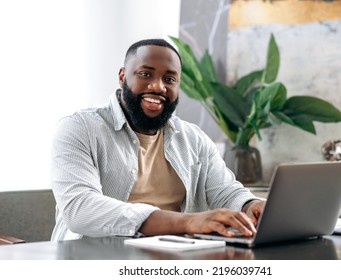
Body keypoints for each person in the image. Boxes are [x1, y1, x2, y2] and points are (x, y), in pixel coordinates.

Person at [51, 38, 265, 241]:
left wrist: (251, 205)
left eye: (169, 79)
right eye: (145, 74)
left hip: (173, 257)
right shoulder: (79, 128)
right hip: (93, 256)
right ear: (122, 76)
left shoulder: (194, 138)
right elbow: (79, 209)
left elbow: (226, 192)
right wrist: (188, 222)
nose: (158, 86)